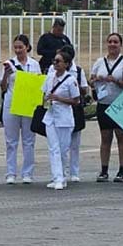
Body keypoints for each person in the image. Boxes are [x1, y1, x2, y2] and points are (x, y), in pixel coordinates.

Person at [91, 32, 123, 182]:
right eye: (110, 41)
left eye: (116, 42)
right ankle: (104, 170)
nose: (112, 44)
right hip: (103, 104)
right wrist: (97, 79)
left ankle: (122, 171)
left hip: (120, 104)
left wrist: (115, 80)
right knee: (105, 137)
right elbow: (91, 81)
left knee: (121, 136)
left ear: (121, 45)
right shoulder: (99, 62)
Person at [0, 35, 41, 184]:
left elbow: (38, 84)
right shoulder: (9, 64)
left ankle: (27, 173)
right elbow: (3, 87)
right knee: (11, 141)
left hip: (28, 103)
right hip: (12, 103)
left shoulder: (34, 64)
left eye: (20, 47)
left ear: (27, 47)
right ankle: (11, 173)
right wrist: (6, 74)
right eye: (15, 47)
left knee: (28, 140)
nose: (18, 50)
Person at [41, 49, 81, 190]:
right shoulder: (49, 77)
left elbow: (76, 100)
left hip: (64, 118)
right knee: (54, 148)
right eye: (54, 61)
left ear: (66, 64)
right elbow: (44, 93)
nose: (56, 63)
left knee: (63, 149)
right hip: (51, 116)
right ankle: (57, 177)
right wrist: (46, 100)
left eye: (59, 61)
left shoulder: (70, 80)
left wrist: (59, 99)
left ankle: (62, 176)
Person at [59, 44, 91, 183]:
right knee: (62, 142)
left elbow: (84, 89)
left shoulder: (77, 71)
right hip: (61, 108)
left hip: (75, 108)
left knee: (75, 142)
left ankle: (74, 171)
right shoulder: (54, 70)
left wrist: (76, 86)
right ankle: (62, 171)